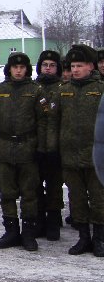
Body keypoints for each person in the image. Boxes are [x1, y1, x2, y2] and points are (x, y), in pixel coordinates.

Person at [0, 52, 50, 252]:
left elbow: (44, 122)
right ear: (9, 69)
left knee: (30, 193)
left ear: (27, 69)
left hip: (28, 148)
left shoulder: (36, 90)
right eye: (15, 67)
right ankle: (11, 231)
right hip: (4, 148)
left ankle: (28, 233)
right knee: (6, 192)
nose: (18, 71)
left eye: (22, 67)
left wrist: (41, 148)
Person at [49, 44, 104, 256]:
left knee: (99, 198)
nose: (75, 70)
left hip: (96, 157)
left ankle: (99, 238)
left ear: (91, 66)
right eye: (72, 66)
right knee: (76, 198)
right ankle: (83, 237)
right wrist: (52, 149)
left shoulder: (100, 89)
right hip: (70, 155)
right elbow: (53, 123)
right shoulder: (63, 91)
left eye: (80, 65)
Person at [33, 50, 64, 240]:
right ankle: (39, 221)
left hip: (56, 146)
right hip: (35, 145)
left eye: (52, 65)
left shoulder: (63, 88)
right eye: (45, 65)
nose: (48, 68)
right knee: (35, 185)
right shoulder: (33, 88)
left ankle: (53, 221)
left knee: (54, 186)